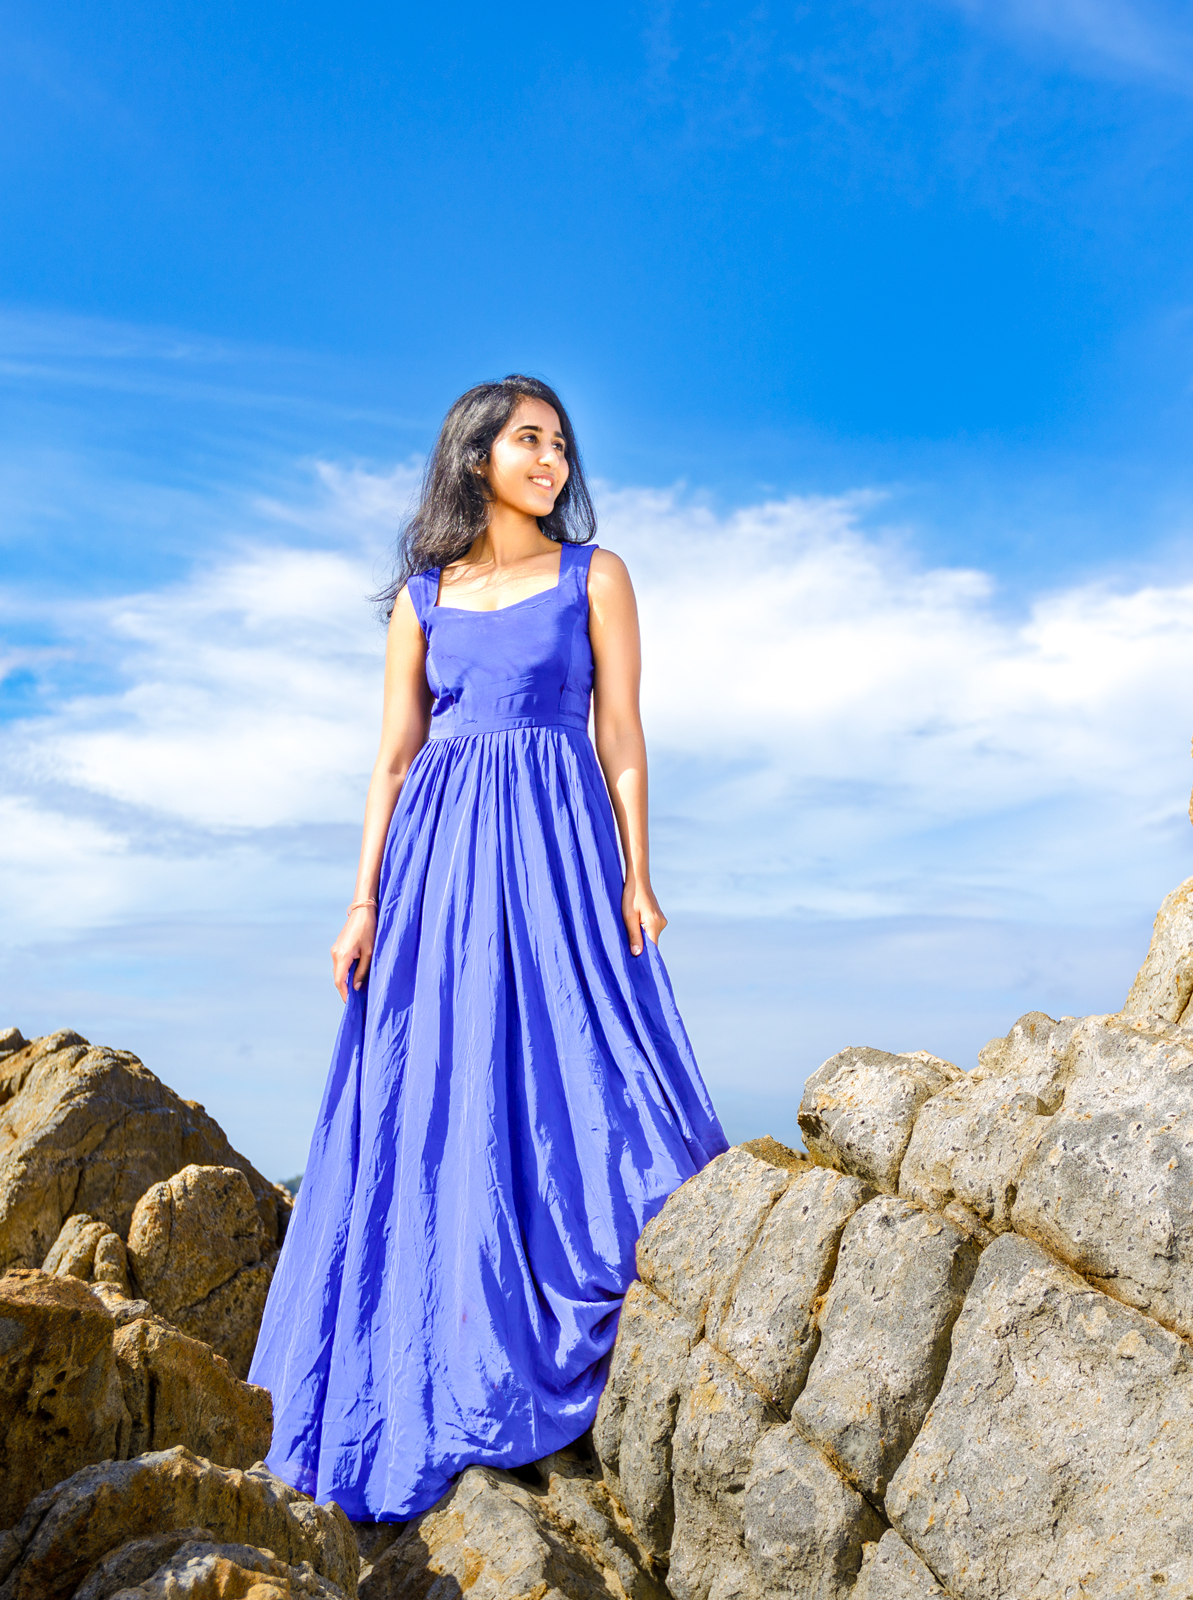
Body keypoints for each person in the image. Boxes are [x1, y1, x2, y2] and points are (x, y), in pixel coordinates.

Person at [249, 375, 730, 1524]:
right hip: (439, 862)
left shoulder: (595, 575)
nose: (552, 459)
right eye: (529, 439)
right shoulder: (424, 599)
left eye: (560, 443)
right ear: (477, 457)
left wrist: (638, 872)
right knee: (441, 1080)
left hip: (560, 841)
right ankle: (443, 1335)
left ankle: (587, 1278)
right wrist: (362, 901)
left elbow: (622, 734)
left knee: (585, 1052)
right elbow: (393, 757)